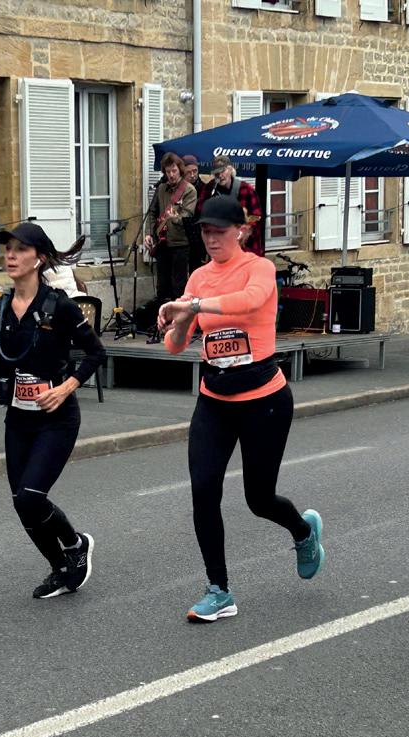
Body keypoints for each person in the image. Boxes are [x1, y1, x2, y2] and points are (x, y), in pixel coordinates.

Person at [157, 196, 324, 622]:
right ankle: (219, 590)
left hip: (264, 400)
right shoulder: (199, 277)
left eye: (219, 231)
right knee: (203, 491)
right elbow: (175, 345)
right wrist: (177, 318)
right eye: (205, 231)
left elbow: (249, 302)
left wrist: (193, 305)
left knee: (259, 499)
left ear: (242, 231)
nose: (211, 238)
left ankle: (303, 530)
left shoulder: (259, 268)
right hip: (214, 401)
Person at [0, 222, 107, 600]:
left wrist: (66, 388)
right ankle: (60, 567)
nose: (10, 256)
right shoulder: (1, 307)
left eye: (20, 249)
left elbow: (96, 352)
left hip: (57, 419)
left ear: (39, 259)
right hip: (19, 418)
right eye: (8, 249)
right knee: (22, 502)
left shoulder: (60, 306)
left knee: (32, 496)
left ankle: (76, 543)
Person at [145, 152, 197, 303]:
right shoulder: (161, 188)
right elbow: (152, 212)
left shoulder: (189, 190)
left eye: (174, 171)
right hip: (162, 243)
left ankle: (178, 316)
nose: (171, 175)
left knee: (178, 286)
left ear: (180, 169)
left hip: (180, 244)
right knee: (162, 287)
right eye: (168, 172)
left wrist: (175, 218)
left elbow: (188, 215)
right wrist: (149, 234)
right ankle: (162, 315)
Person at [196, 155, 264, 257]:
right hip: (220, 245)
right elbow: (200, 211)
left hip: (245, 247)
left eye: (223, 171)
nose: (220, 175)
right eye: (217, 173)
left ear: (231, 169)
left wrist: (241, 233)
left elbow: (256, 217)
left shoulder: (246, 189)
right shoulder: (210, 189)